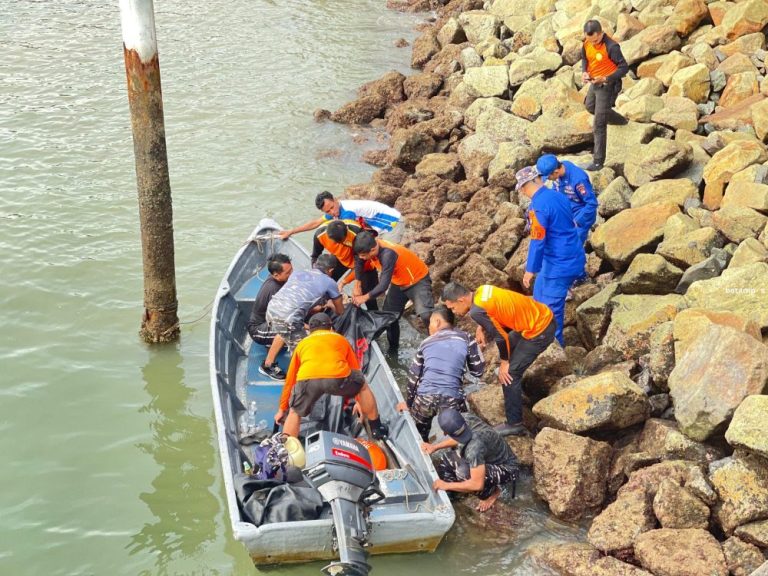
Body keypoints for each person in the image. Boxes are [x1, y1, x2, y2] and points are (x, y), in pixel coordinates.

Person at [441, 282, 555, 437]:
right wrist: (481, 326)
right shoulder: (482, 290)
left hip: (539, 331)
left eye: (452, 308)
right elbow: (493, 309)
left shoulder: (476, 311)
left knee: (510, 375)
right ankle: (513, 387)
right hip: (540, 316)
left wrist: (505, 363)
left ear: (461, 300)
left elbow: (501, 337)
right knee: (510, 347)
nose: (454, 312)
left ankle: (515, 424)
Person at [275, 312, 388, 439]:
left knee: (295, 412)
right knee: (362, 385)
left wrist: (282, 409)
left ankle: (288, 450)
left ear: (310, 330)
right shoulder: (340, 339)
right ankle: (376, 428)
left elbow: (290, 380)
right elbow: (355, 370)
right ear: (331, 327)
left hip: (308, 381)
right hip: (337, 379)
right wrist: (359, 401)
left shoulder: (302, 344)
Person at [517, 166, 585, 347]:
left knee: (550, 311)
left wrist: (530, 270)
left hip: (559, 263)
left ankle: (554, 347)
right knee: (539, 295)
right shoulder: (558, 195)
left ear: (525, 186)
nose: (523, 192)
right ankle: (539, 333)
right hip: (571, 254)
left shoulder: (538, 207)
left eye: (522, 188)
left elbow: (538, 240)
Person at [397, 306, 485, 441]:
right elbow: (478, 372)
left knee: (419, 434)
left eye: (430, 322)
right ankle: (459, 453)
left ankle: (424, 449)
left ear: (437, 322)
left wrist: (409, 404)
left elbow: (414, 378)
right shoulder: (466, 338)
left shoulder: (425, 343)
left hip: (425, 397)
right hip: (452, 398)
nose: (429, 327)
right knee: (459, 434)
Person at [262, 253, 344, 378]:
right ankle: (301, 380)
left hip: (272, 309)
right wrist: (333, 304)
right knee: (304, 348)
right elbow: (340, 311)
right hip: (288, 319)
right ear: (331, 270)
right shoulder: (330, 282)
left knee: (284, 331)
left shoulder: (298, 273)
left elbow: (299, 296)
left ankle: (267, 364)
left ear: (315, 264)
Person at [422, 409, 519, 512]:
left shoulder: (474, 450)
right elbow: (459, 437)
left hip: (507, 468)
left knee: (463, 473)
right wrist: (435, 447)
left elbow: (477, 484)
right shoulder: (465, 418)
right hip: (488, 452)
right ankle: (452, 496)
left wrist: (445, 485)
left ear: (445, 433)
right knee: (446, 460)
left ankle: (493, 493)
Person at [352, 231, 434, 351]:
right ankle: (393, 349)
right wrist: (357, 285)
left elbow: (383, 285)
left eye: (364, 255)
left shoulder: (388, 254)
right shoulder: (367, 249)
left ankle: (435, 344)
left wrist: (363, 298)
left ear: (373, 249)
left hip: (417, 280)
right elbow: (358, 262)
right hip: (399, 282)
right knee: (389, 317)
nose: (362, 258)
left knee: (426, 315)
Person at [581, 19, 629, 171]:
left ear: (601, 33)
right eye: (590, 41)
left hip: (608, 84)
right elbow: (584, 58)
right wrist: (584, 72)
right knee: (590, 107)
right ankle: (620, 120)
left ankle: (598, 162)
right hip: (594, 81)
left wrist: (606, 78)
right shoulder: (587, 43)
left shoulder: (612, 47)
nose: (594, 43)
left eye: (596, 40)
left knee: (599, 124)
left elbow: (624, 68)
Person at [278, 191, 402, 241]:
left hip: (393, 223)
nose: (332, 212)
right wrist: (291, 231)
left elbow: (353, 235)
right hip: (379, 226)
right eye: (328, 211)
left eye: (332, 207)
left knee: (389, 255)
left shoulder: (347, 212)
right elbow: (316, 223)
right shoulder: (336, 210)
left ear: (335, 200)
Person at [311, 220, 379, 309]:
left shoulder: (357, 233)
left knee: (366, 293)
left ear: (346, 230)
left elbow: (360, 263)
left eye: (344, 240)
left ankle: (373, 313)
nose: (343, 243)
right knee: (325, 282)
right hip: (340, 258)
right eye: (337, 243)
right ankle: (324, 305)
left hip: (362, 261)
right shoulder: (319, 235)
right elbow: (315, 256)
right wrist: (316, 275)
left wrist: (350, 283)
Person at [536, 154, 598, 248]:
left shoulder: (578, 180)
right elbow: (556, 189)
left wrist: (577, 221)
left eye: (548, 177)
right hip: (568, 209)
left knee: (571, 246)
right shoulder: (560, 169)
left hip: (582, 214)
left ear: (556, 172)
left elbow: (592, 203)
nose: (548, 180)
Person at [247, 254, 293, 379]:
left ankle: (272, 342)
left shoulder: (279, 279)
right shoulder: (274, 290)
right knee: (288, 328)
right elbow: (284, 319)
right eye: (288, 273)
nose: (292, 274)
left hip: (268, 321)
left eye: (291, 270)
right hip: (258, 329)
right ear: (276, 275)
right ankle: (267, 365)